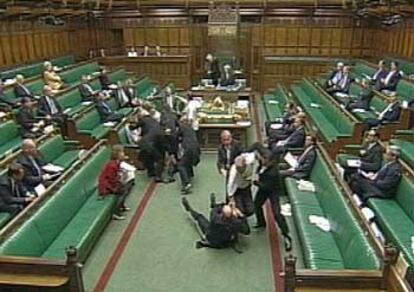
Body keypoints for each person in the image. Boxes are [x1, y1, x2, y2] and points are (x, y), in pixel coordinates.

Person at [252, 148, 292, 251]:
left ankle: (286, 235)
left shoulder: (273, 172)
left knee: (277, 214)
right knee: (257, 204)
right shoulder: (263, 162)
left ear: (269, 161)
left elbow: (266, 187)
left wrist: (255, 182)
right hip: (264, 187)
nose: (261, 161)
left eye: (263, 160)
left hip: (272, 190)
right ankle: (261, 222)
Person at [181, 193, 250, 250]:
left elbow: (216, 209)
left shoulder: (215, 216)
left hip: (211, 237)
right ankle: (212, 204)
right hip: (225, 243)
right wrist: (241, 215)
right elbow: (247, 231)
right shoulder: (236, 223)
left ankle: (189, 209)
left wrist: (225, 205)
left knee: (200, 217)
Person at [98, 145, 133, 220]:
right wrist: (120, 181)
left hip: (111, 184)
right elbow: (111, 179)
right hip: (106, 187)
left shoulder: (117, 162)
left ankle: (121, 206)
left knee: (126, 187)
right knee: (123, 191)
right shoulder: (112, 165)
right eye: (122, 152)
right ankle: (116, 212)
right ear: (117, 154)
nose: (123, 154)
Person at [176, 117, 201, 194]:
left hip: (188, 148)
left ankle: (186, 183)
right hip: (196, 148)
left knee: (181, 165)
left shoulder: (182, 127)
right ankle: (190, 175)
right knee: (188, 161)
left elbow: (176, 137)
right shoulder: (191, 128)